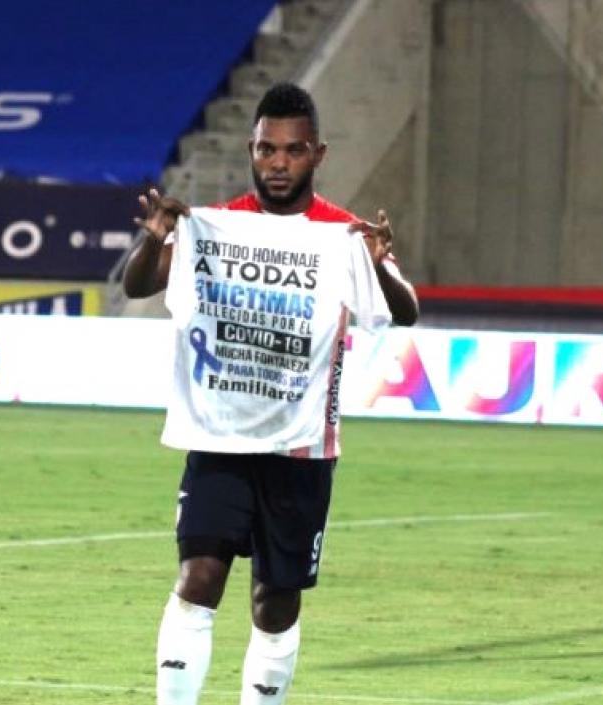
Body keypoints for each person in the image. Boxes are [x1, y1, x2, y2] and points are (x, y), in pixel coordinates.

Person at [122, 82, 418, 705]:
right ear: (250, 150)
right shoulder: (220, 228)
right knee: (198, 579)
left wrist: (380, 263)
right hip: (219, 437)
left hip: (301, 451)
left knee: (274, 603)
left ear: (318, 154)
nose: (277, 163)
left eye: (292, 150)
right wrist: (155, 238)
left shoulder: (345, 237)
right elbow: (143, 283)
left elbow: (406, 311)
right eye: (265, 150)